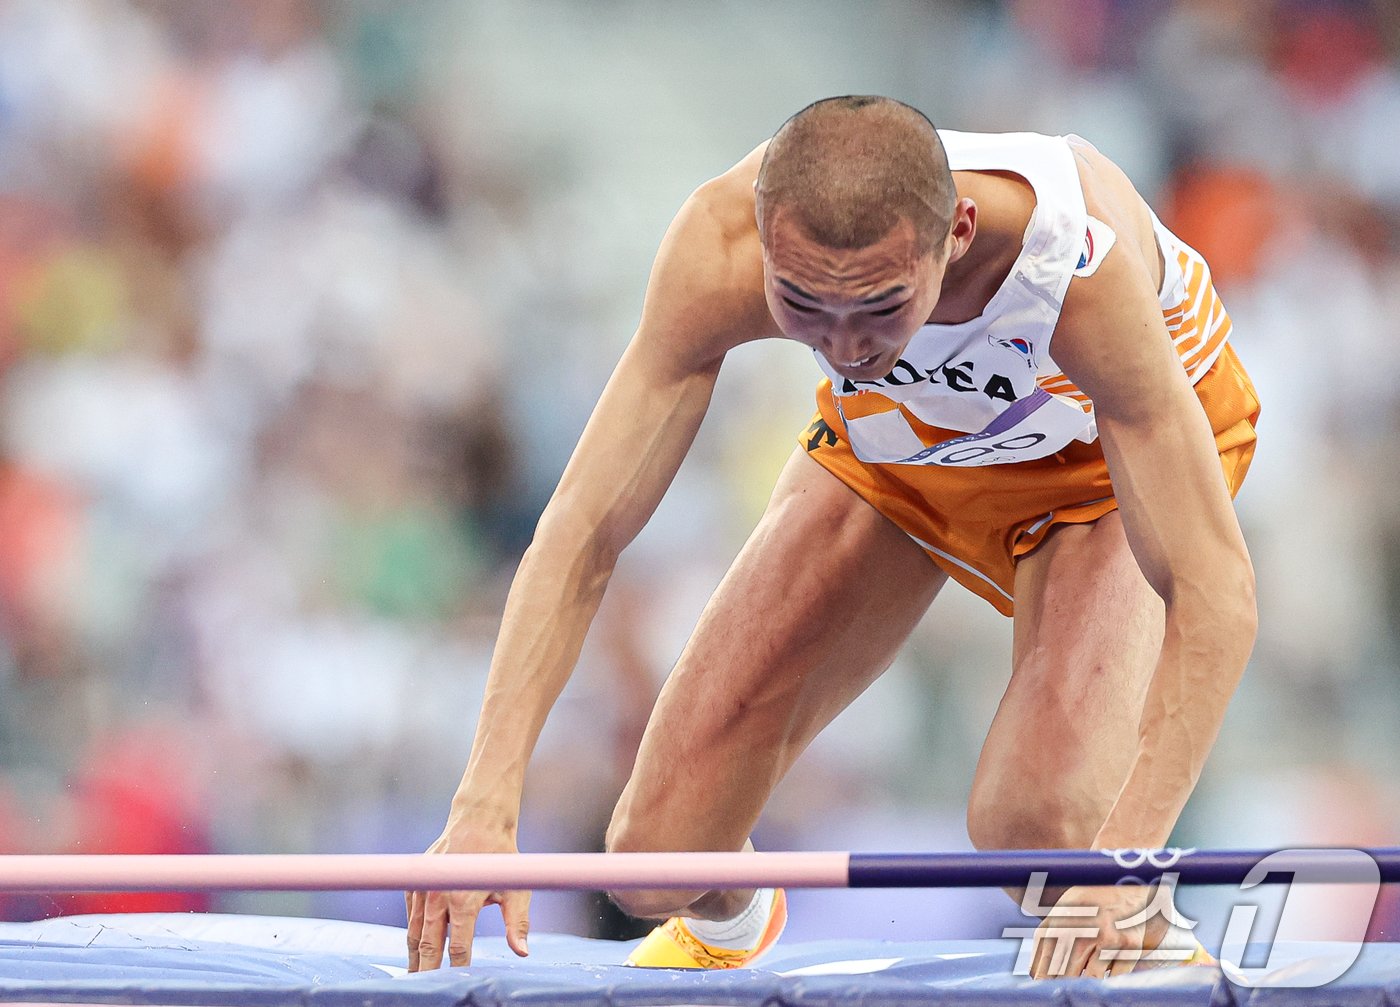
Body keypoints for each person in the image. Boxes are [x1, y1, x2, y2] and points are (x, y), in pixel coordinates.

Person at [405, 96, 1260, 979]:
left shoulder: (1076, 271)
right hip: (905, 444)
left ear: (957, 233)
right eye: (804, 304)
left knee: (1043, 831)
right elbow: (583, 528)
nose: (846, 345)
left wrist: (1129, 860)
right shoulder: (719, 244)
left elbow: (1216, 589)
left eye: (883, 305)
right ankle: (736, 927)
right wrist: (484, 803)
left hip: (1096, 469)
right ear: (766, 243)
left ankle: (1153, 939)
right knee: (655, 856)